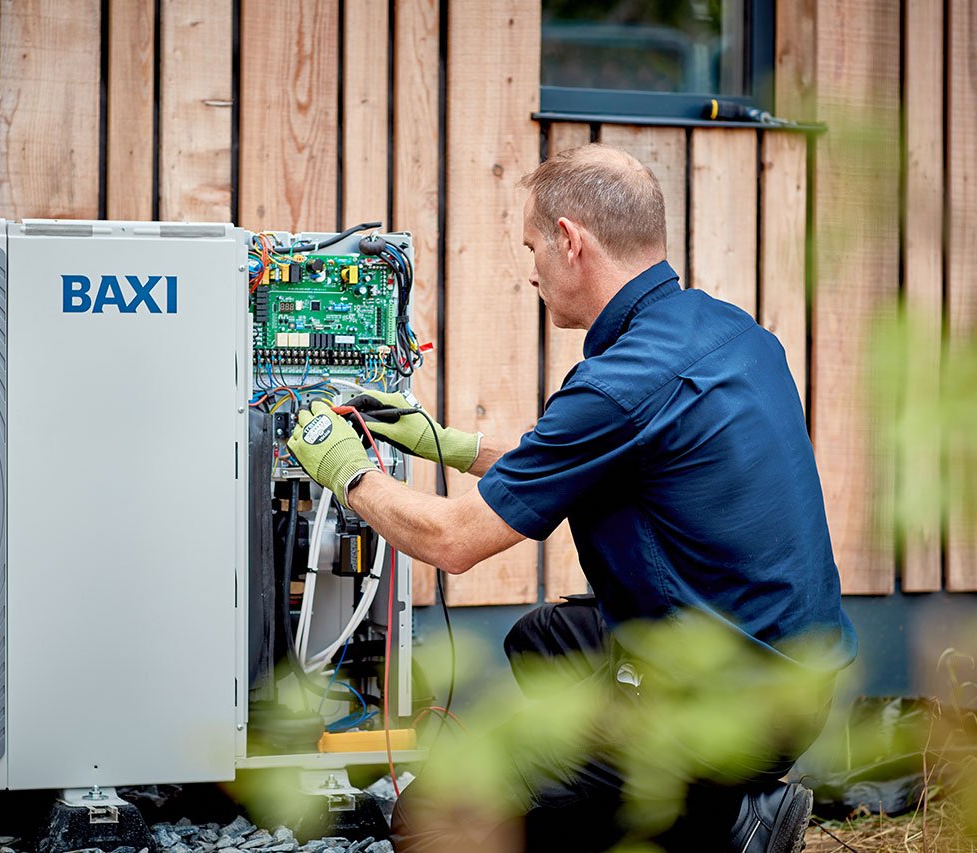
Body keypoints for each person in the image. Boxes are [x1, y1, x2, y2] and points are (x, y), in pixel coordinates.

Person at [286, 143, 857, 852]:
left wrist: (346, 469)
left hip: (732, 707)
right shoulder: (732, 334)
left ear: (569, 239)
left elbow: (452, 541)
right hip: (797, 676)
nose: (531, 271)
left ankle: (721, 819)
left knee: (431, 819)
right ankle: (708, 806)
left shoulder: (620, 382)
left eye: (532, 247)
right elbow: (585, 459)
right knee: (541, 641)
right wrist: (445, 442)